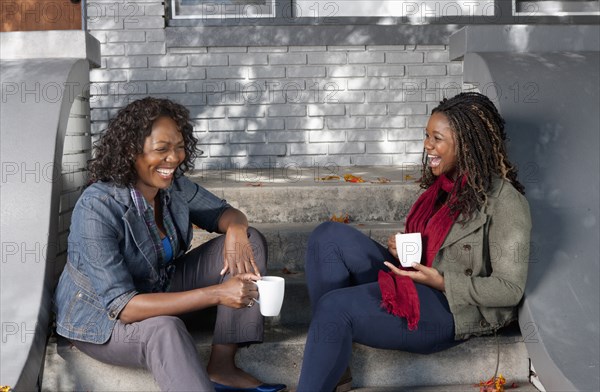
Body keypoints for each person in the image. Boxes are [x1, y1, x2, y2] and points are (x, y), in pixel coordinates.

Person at [296, 92, 531, 391]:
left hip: (450, 308)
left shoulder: (506, 202)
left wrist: (443, 281)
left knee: (335, 308)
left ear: (467, 145)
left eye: (437, 138)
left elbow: (510, 290)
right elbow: (438, 250)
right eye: (426, 136)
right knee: (327, 236)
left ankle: (324, 362)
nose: (427, 146)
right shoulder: (444, 187)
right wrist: (406, 249)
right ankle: (333, 360)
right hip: (417, 280)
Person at [53, 97, 286, 392]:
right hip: (102, 321)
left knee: (250, 240)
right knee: (165, 328)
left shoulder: (174, 186)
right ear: (130, 151)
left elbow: (224, 214)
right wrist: (217, 293)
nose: (174, 158)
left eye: (178, 146)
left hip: (158, 286)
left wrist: (237, 229)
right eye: (162, 149)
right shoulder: (97, 206)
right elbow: (124, 307)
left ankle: (223, 366)